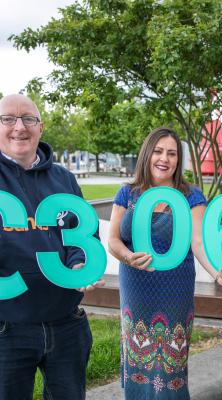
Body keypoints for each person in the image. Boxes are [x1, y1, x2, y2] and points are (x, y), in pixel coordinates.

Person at [108, 126, 222, 399]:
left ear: (178, 161)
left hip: (173, 291)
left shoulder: (190, 196)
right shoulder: (128, 193)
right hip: (135, 288)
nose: (164, 158)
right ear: (147, 154)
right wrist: (127, 257)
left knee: (171, 367)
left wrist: (219, 273)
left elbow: (199, 242)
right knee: (138, 359)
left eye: (172, 153)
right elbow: (113, 239)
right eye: (158, 151)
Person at [0, 94, 103, 399]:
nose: (19, 127)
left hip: (66, 324)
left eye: (28, 119)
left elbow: (83, 236)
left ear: (41, 127)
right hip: (7, 328)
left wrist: (80, 263)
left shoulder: (64, 179)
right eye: (8, 119)